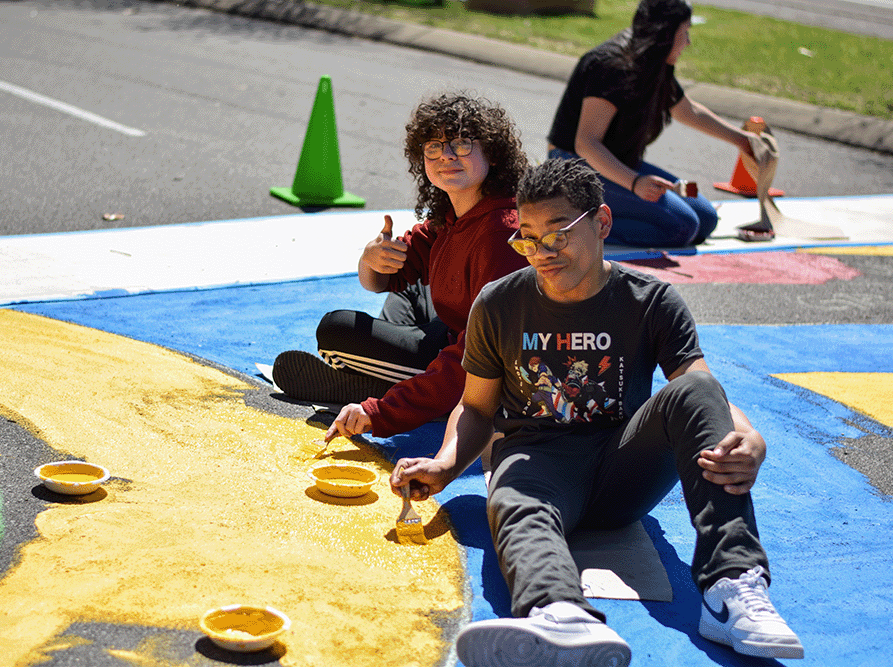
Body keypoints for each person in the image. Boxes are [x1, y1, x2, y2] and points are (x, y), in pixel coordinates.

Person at [391, 158, 804, 667]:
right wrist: (446, 464)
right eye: (527, 239)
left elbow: (700, 386)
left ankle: (731, 586)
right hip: (537, 461)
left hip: (623, 468)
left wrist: (750, 436)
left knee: (694, 390)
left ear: (601, 222)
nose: (542, 252)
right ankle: (559, 614)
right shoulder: (498, 304)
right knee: (514, 499)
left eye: (557, 234)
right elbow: (476, 406)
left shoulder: (650, 300)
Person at [272, 93, 530, 442]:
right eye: (434, 147)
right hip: (451, 332)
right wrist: (370, 258)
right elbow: (384, 279)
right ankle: (396, 378)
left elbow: (480, 354)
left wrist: (382, 411)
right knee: (410, 293)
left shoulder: (501, 234)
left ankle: (394, 388)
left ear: (493, 154)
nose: (446, 155)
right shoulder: (453, 214)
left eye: (462, 144)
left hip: (479, 366)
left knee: (336, 330)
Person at [546, 0, 763, 247]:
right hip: (573, 166)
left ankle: (600, 218)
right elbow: (586, 143)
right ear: (665, 34)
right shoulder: (610, 66)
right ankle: (575, 227)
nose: (688, 42)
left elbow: (688, 111)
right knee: (682, 226)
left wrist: (743, 141)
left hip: (617, 162)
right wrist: (634, 182)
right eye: (685, 32)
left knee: (706, 218)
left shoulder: (654, 60)